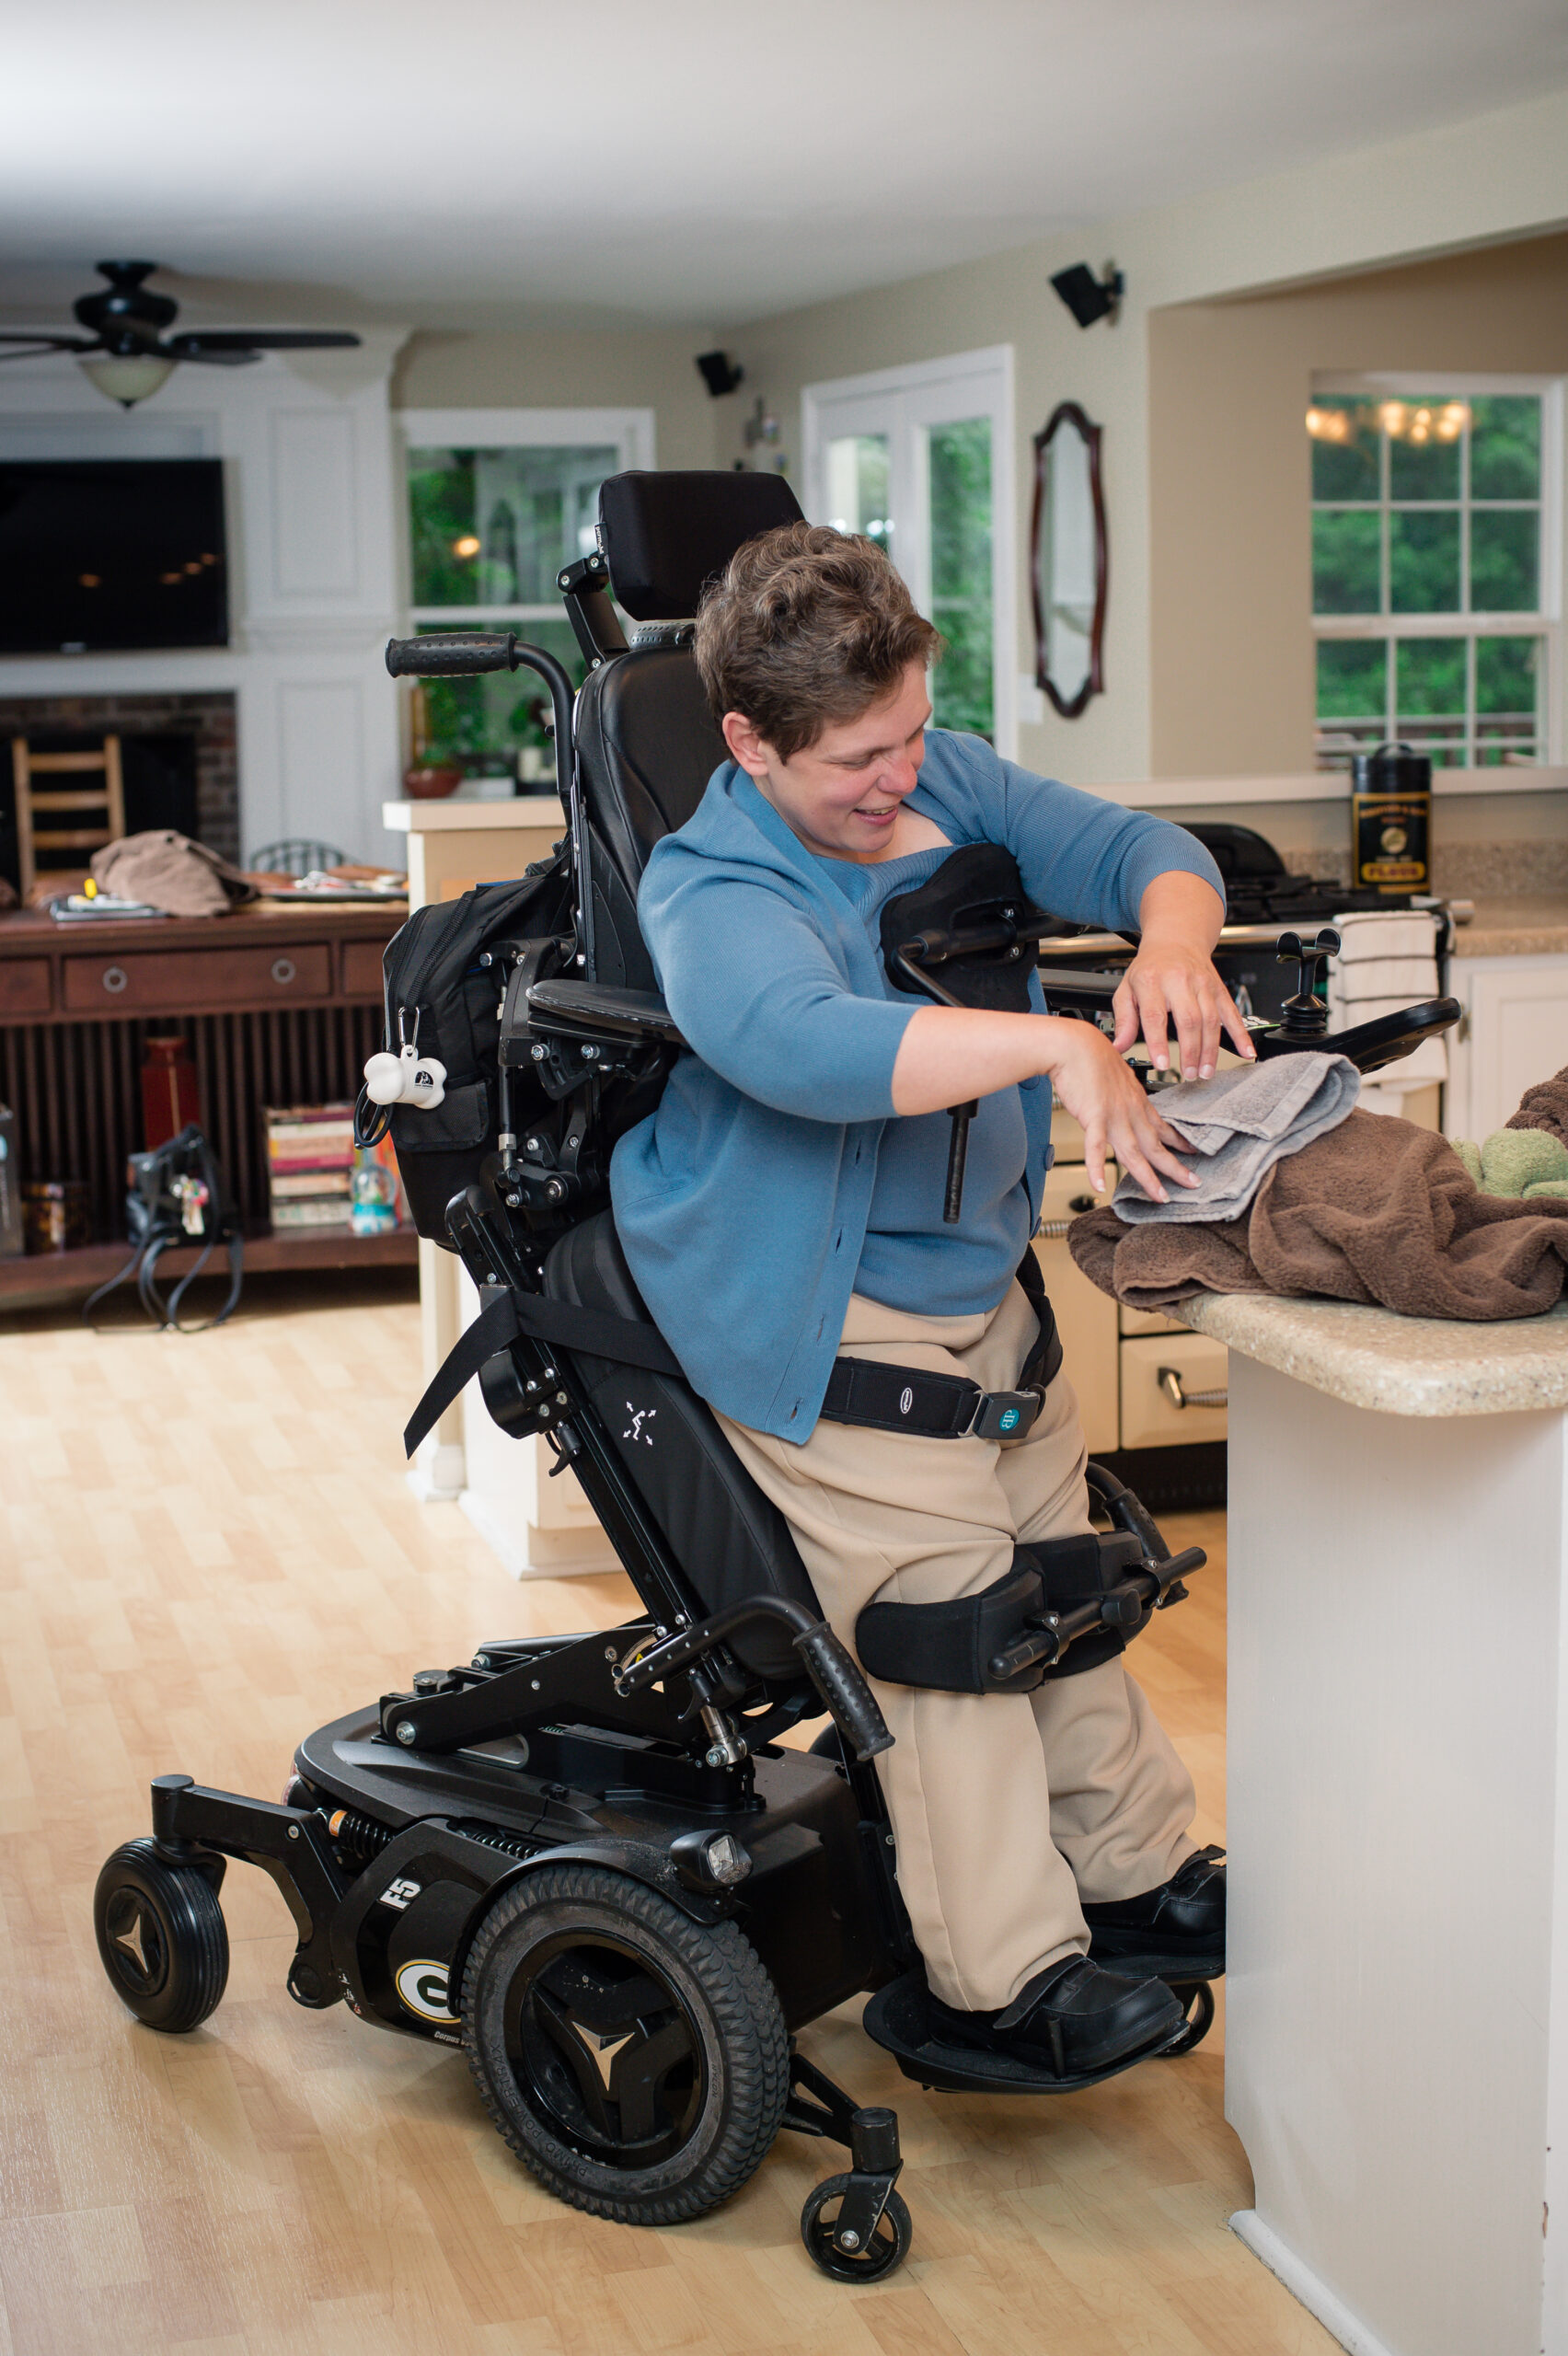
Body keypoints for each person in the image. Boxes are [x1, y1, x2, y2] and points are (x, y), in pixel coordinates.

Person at [611, 524, 1251, 2081]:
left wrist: (1170, 942)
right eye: (856, 762)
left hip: (980, 1296)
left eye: (908, 735)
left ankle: (1140, 1878)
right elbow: (806, 1050)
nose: (898, 779)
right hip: (819, 1316)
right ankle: (995, 1985)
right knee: (952, 1632)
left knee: (1066, 1591)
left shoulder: (943, 773)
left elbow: (1146, 849)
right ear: (752, 743)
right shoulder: (713, 885)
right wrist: (1058, 1048)